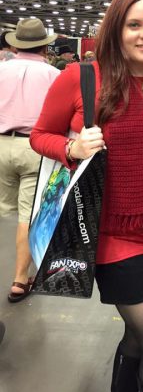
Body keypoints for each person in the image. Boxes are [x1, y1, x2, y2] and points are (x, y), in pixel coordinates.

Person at [30, 0, 143, 392]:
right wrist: (71, 146)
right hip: (117, 238)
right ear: (116, 29)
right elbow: (39, 134)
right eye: (134, 24)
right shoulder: (82, 78)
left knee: (136, 340)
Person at [0, 18, 59, 302]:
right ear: (45, 46)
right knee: (28, 216)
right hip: (35, 147)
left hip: (1, 144)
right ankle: (20, 280)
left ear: (15, 44)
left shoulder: (0, 69)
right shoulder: (53, 75)